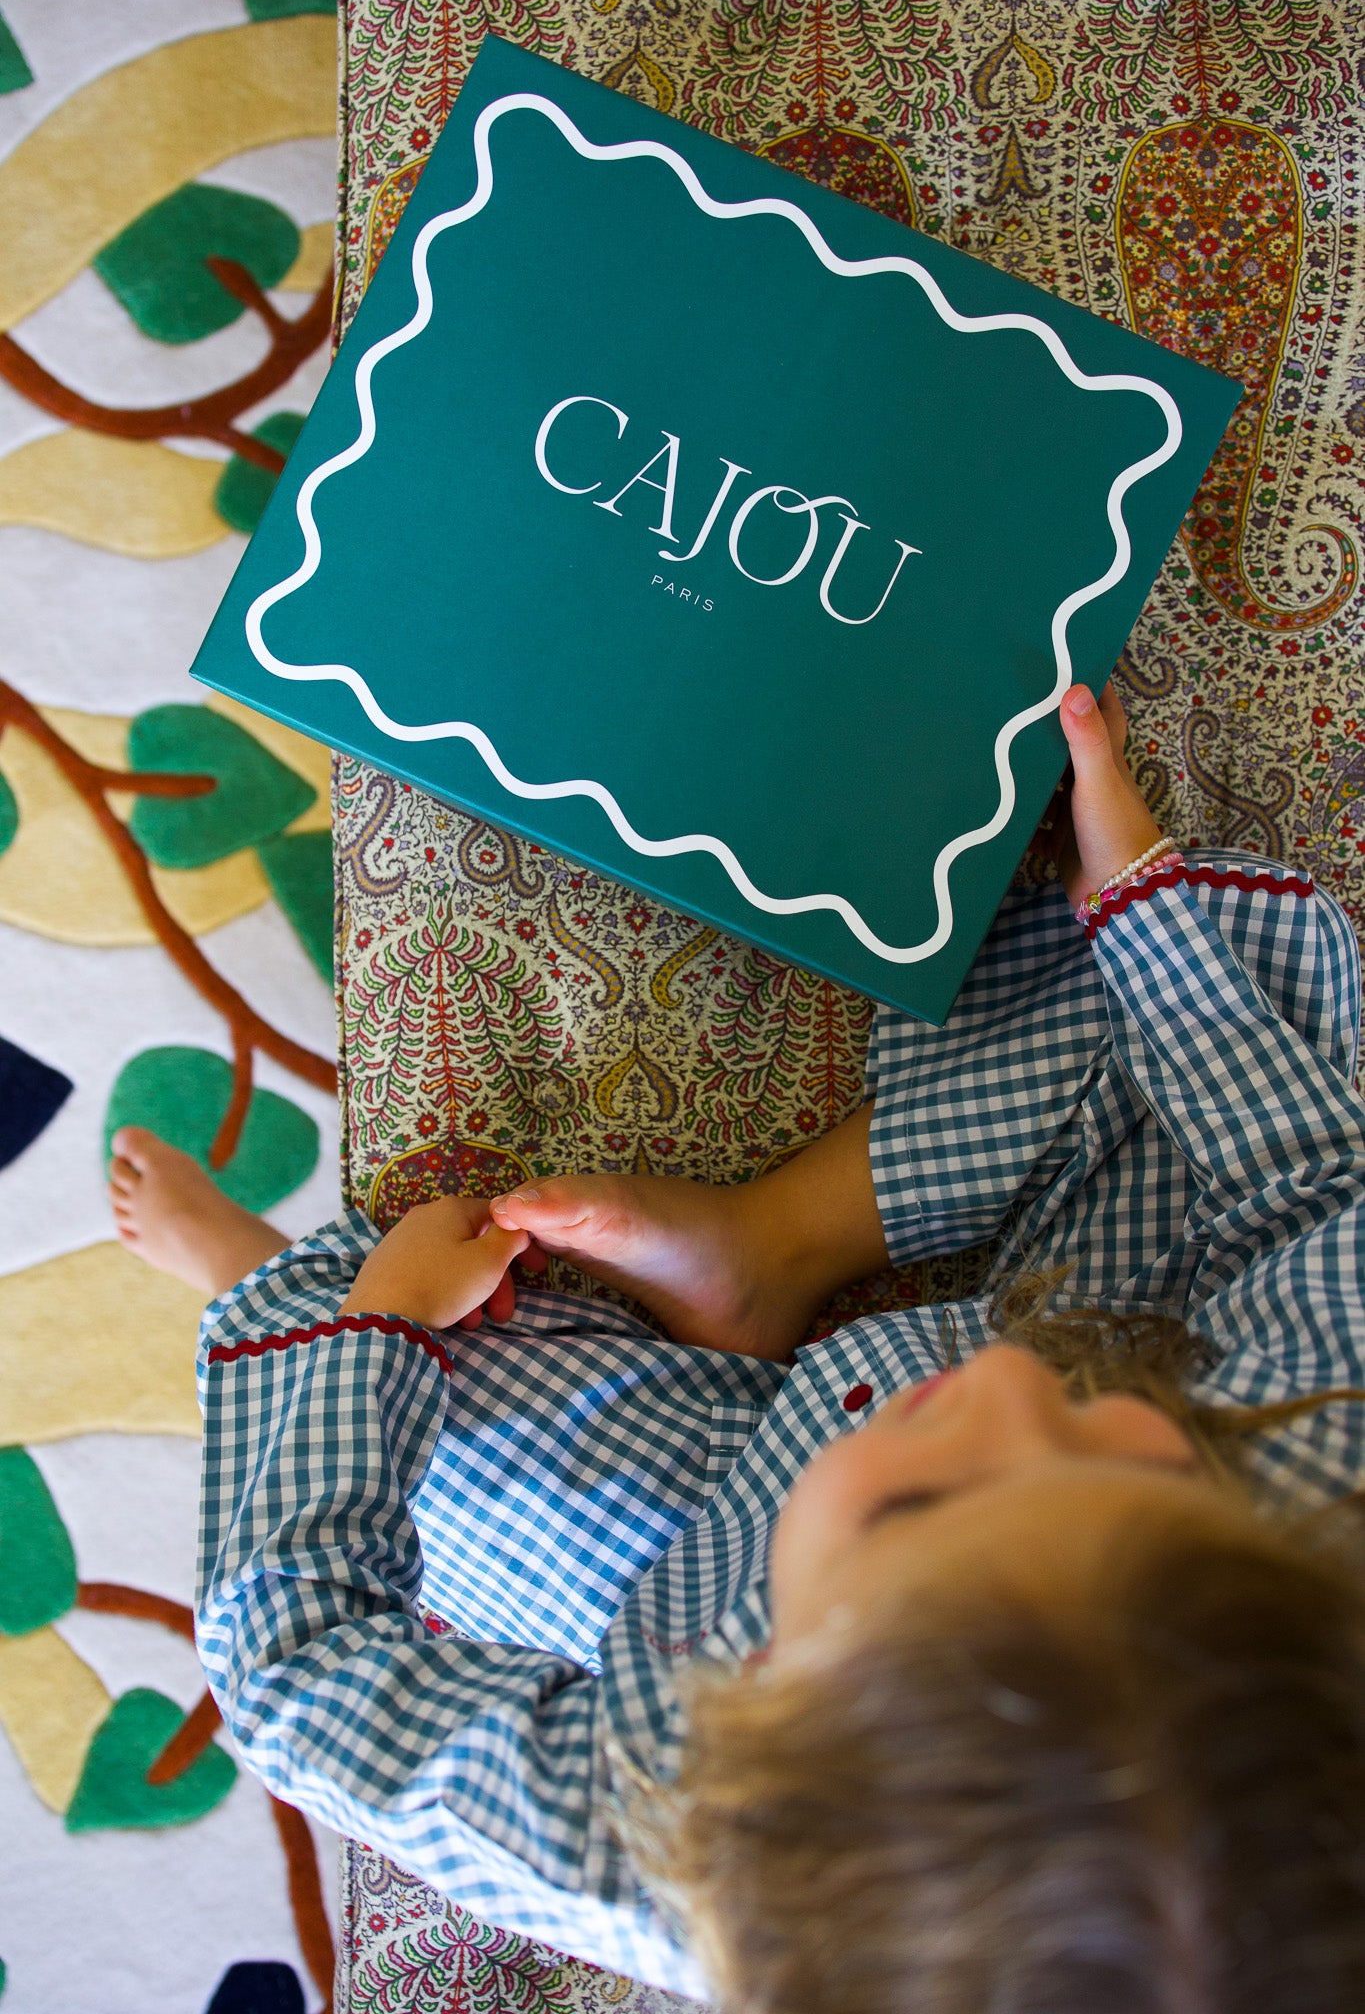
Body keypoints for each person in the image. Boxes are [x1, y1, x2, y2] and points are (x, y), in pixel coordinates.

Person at [111, 682, 1365, 2009]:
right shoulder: (1321, 1481)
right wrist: (1138, 898)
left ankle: (248, 1276)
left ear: (776, 1706)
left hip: (698, 1544)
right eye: (1126, 1456)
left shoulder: (693, 1841)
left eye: (917, 1508)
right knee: (1216, 978)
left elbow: (295, 1678)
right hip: (1139, 1310)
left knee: (413, 1391)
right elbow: (1306, 1188)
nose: (1003, 1386)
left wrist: (371, 1335)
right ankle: (769, 1246)